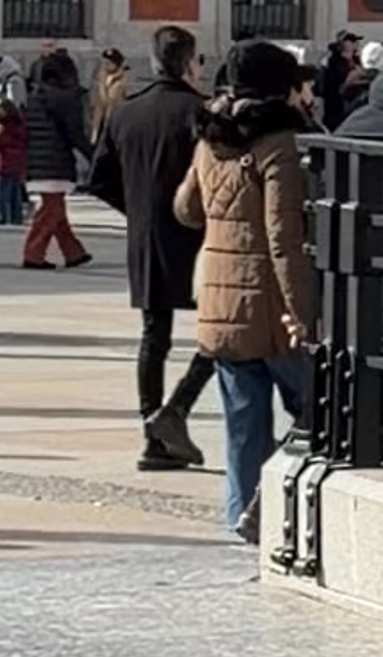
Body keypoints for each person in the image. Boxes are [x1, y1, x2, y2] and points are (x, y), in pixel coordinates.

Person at [175, 39, 318, 538]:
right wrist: (303, 312)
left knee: (242, 423)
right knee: (315, 410)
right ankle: (282, 505)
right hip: (270, 305)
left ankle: (241, 514)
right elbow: (284, 238)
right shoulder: (280, 143)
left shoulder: (209, 137)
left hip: (219, 299)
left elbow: (186, 210)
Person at [106, 28, 210, 471]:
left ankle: (152, 432)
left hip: (146, 235)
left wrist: (136, 209)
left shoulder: (125, 113)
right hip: (198, 234)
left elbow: (98, 176)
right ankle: (177, 407)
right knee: (219, 332)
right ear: (188, 64)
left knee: (154, 336)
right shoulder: (198, 112)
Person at [13, 43, 92, 271]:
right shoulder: (66, 99)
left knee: (55, 209)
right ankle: (33, 254)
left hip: (37, 160)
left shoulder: (35, 97)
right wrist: (92, 153)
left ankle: (74, 252)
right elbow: (75, 133)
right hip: (55, 161)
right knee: (51, 211)